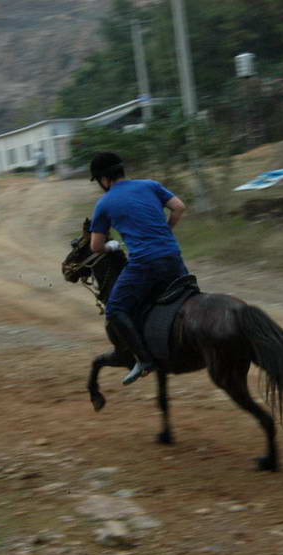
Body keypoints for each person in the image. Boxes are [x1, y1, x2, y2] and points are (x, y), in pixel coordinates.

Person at [88, 151, 189, 385]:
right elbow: (179, 208)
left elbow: (95, 246)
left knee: (114, 309)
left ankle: (144, 360)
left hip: (145, 264)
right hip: (173, 257)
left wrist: (111, 247)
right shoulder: (151, 185)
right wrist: (166, 231)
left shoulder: (104, 202)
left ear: (104, 179)